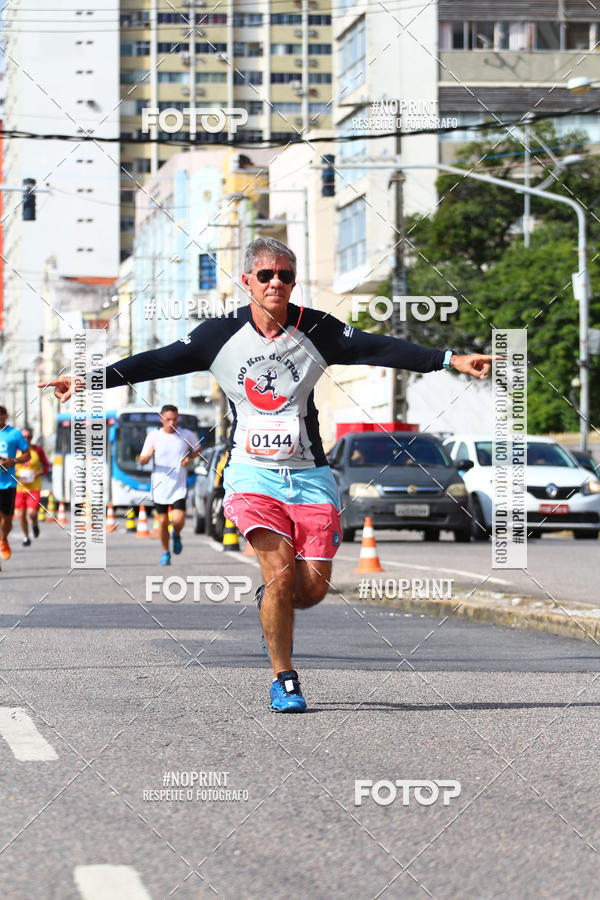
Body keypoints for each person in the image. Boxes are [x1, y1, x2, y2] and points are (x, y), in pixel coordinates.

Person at [41, 237, 496, 713]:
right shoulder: (218, 336)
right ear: (248, 282)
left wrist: (449, 359)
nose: (276, 282)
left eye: (285, 275)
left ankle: (271, 609)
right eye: (266, 275)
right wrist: (90, 379)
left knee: (312, 589)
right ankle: (284, 679)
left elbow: (378, 347)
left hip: (310, 474)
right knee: (279, 575)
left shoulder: (316, 329)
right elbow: (157, 361)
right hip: (251, 475)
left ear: (293, 282)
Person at [138, 404, 202, 565]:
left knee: (178, 519)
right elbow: (142, 460)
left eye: (174, 419)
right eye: (168, 419)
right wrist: (149, 455)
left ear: (177, 418)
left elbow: (198, 449)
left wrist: (189, 457)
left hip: (179, 485)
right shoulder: (153, 436)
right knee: (162, 522)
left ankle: (177, 534)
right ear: (162, 419)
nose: (171, 422)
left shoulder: (186, 434)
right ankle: (165, 552)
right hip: (160, 486)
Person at [0, 405, 31, 563]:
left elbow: (27, 455)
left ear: (5, 416)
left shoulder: (14, 434)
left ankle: (3, 539)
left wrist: (13, 461)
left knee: (7, 521)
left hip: (8, 484)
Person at [14, 427, 51, 546]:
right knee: (21, 514)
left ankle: (34, 524)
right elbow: (7, 465)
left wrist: (38, 473)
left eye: (28, 437)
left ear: (31, 437)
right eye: (24, 437)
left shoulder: (37, 450)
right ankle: (26, 537)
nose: (26, 439)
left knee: (32, 513)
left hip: (33, 488)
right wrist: (12, 470)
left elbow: (46, 466)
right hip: (19, 488)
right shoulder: (15, 450)